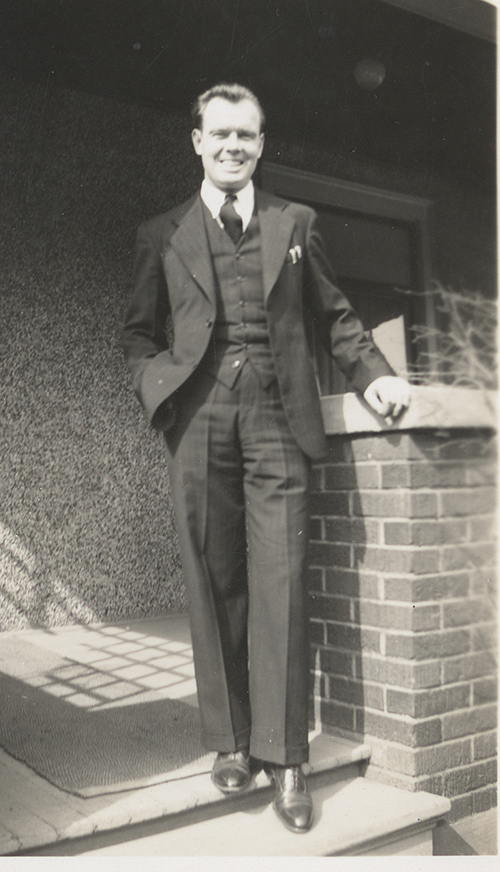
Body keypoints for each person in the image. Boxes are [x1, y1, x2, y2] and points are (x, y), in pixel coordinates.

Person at [122, 83, 410, 834]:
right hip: (200, 418)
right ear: (196, 141)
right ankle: (232, 745)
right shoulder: (162, 232)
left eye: (246, 136)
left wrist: (374, 377)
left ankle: (288, 761)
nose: (232, 147)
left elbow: (335, 317)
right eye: (219, 134)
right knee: (214, 581)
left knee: (280, 581)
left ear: (260, 143)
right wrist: (162, 395)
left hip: (280, 420)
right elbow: (138, 333)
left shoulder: (295, 223)